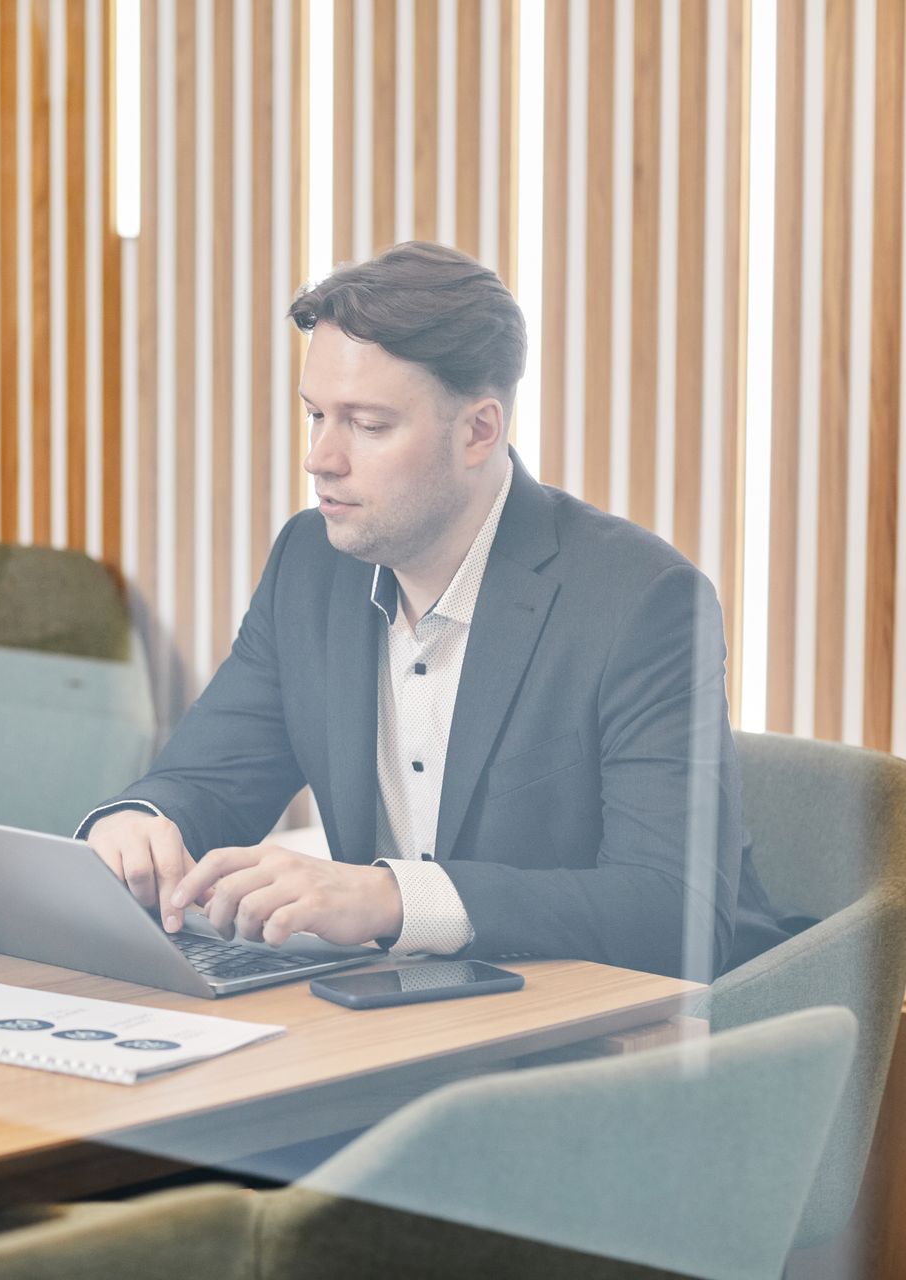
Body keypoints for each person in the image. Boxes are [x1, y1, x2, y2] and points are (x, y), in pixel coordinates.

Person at [82, 241, 781, 979]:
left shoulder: (641, 600)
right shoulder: (310, 563)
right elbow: (210, 779)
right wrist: (140, 823)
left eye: (368, 424)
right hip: (400, 1010)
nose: (321, 457)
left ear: (479, 430)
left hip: (618, 1031)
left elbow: (674, 911)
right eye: (316, 415)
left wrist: (392, 899)